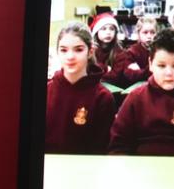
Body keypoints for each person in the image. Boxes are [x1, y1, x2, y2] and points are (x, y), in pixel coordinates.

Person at [45, 22, 116, 154]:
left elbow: (101, 148)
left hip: (85, 165)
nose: (70, 57)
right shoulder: (46, 91)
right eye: (63, 50)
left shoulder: (103, 98)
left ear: (90, 52)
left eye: (78, 50)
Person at [112, 15, 157, 87]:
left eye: (152, 32)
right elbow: (130, 75)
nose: (149, 36)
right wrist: (150, 70)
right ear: (138, 34)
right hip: (137, 87)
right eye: (145, 32)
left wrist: (142, 72)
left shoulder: (159, 51)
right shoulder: (131, 52)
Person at [89, 12, 125, 85]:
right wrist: (106, 69)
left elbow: (115, 76)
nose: (108, 32)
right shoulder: (91, 50)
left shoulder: (119, 51)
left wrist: (99, 71)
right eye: (104, 29)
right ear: (96, 32)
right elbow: (88, 72)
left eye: (112, 29)